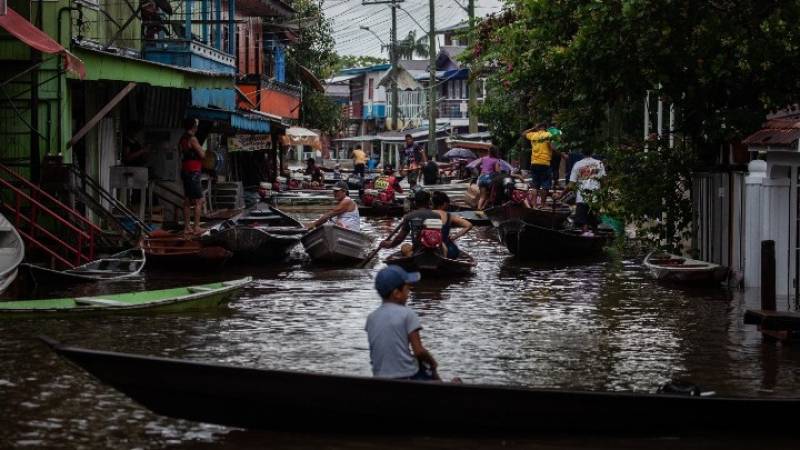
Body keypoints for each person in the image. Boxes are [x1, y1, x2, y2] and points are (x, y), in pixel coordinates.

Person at [365, 265, 440, 380]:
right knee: (428, 367)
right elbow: (419, 351)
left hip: (379, 377)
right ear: (397, 293)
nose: (409, 293)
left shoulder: (371, 318)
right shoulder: (407, 314)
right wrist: (433, 363)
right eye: (407, 288)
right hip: (407, 376)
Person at [565, 148, 606, 236]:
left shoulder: (577, 164)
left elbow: (571, 185)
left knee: (583, 222)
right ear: (593, 152)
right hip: (595, 196)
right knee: (594, 221)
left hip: (582, 197)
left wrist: (561, 194)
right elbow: (604, 181)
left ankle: (585, 235)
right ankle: (595, 236)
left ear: (581, 152)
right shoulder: (599, 163)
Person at [178, 117, 205, 235]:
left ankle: (187, 227)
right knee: (199, 200)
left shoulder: (182, 138)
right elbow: (202, 154)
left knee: (187, 200)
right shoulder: (192, 139)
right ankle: (196, 227)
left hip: (185, 170)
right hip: (193, 171)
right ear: (194, 127)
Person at [431, 191, 472, 258]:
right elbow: (469, 225)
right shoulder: (449, 216)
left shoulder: (427, 213)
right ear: (444, 204)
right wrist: (454, 237)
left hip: (429, 245)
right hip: (447, 248)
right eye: (448, 204)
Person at [523, 123, 554, 208]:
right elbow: (552, 147)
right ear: (545, 127)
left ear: (538, 128)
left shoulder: (533, 135)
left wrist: (533, 128)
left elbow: (523, 133)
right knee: (545, 185)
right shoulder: (548, 134)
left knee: (535, 185)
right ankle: (543, 205)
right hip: (545, 163)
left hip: (534, 163)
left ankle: (534, 205)